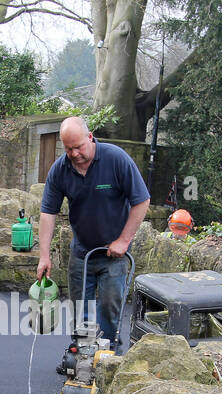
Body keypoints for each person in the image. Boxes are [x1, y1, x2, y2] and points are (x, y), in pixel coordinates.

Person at [36, 116, 150, 351]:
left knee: (109, 308)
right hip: (81, 253)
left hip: (113, 255)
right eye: (69, 149)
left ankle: (109, 358)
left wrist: (123, 240)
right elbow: (48, 213)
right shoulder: (60, 169)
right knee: (80, 310)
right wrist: (44, 256)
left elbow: (142, 200)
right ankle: (82, 356)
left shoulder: (115, 159)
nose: (75, 154)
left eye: (78, 147)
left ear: (90, 137)